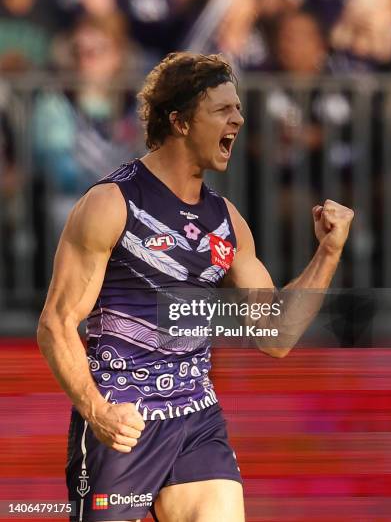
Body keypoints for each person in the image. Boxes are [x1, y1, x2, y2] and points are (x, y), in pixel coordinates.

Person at [37, 52, 354, 522]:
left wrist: (327, 254)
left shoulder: (227, 224)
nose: (239, 119)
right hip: (123, 420)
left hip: (196, 419)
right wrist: (96, 411)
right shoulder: (112, 204)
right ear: (181, 121)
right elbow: (56, 324)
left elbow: (277, 336)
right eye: (223, 110)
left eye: (239, 108)